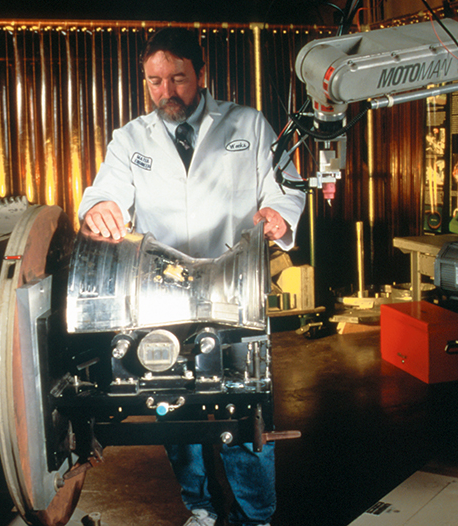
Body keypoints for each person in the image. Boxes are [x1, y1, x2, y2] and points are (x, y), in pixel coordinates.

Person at [78, 27, 305, 526]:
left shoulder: (247, 123)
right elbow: (102, 191)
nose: (167, 92)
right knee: (172, 408)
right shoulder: (131, 138)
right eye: (155, 81)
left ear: (201, 74)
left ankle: (255, 514)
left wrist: (279, 214)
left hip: (235, 289)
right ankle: (200, 507)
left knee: (245, 408)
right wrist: (102, 207)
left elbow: (285, 184)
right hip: (163, 295)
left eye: (178, 78)